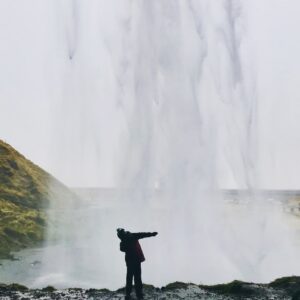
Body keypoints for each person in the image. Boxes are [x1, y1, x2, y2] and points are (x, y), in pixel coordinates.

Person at [117, 228, 158, 300]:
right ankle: (138, 294)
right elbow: (142, 234)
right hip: (135, 260)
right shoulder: (131, 236)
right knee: (136, 277)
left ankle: (130, 294)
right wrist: (152, 234)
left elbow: (122, 249)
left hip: (131, 261)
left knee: (131, 277)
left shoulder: (124, 240)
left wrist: (151, 234)